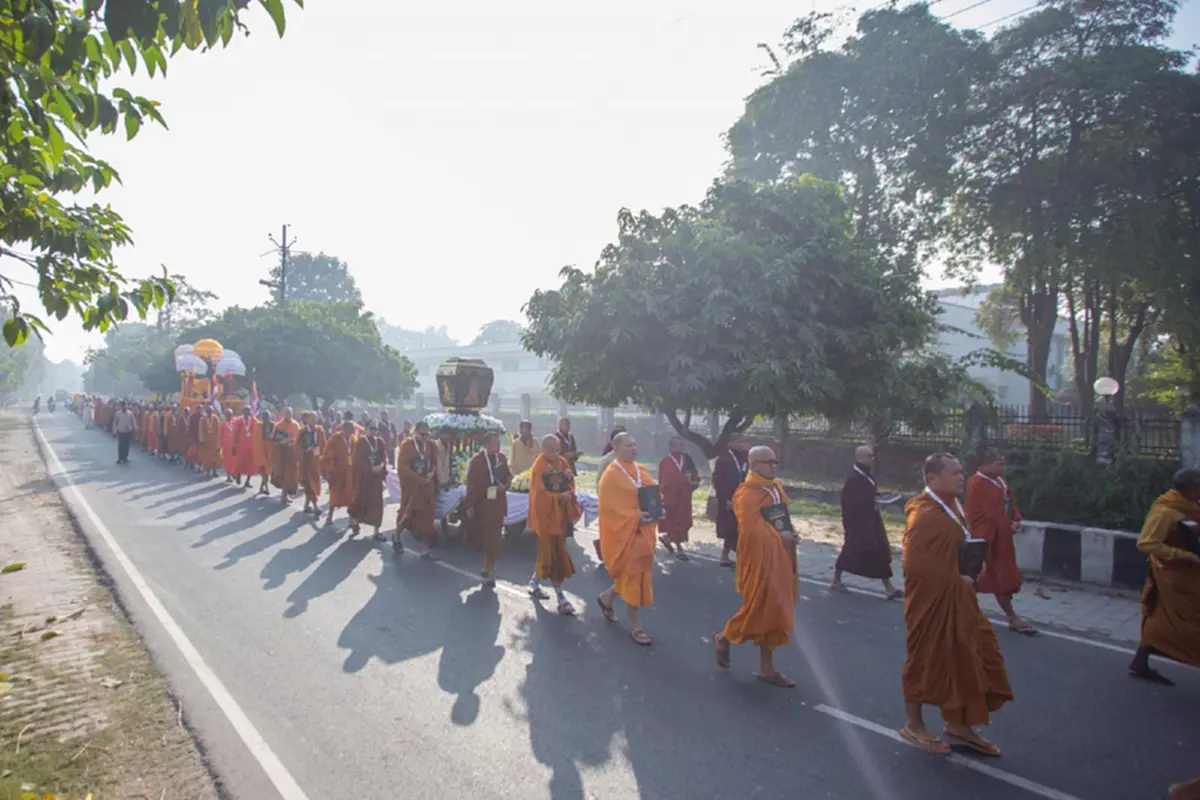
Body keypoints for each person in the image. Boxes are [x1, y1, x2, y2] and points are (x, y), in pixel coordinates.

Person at [899, 452, 1013, 757]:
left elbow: (956, 545)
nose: (961, 478)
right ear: (932, 479)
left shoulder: (951, 505)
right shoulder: (924, 515)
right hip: (932, 602)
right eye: (954, 473)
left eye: (961, 472)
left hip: (961, 598)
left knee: (970, 655)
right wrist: (955, 578)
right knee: (925, 659)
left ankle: (959, 725)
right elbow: (915, 567)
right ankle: (913, 723)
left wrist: (974, 568)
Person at [714, 445, 798, 687]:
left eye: (775, 461)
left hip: (779, 558)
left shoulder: (775, 488)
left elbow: (780, 519)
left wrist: (790, 533)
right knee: (757, 609)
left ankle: (766, 668)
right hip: (759, 561)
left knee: (774, 612)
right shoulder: (746, 493)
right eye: (767, 461)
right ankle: (724, 637)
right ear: (753, 465)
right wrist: (779, 537)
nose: (773, 465)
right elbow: (751, 532)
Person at [1127, 467, 1200, 686]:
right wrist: (1184, 555)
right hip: (1172, 574)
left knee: (1158, 616)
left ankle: (1141, 660)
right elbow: (1146, 543)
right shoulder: (1166, 511)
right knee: (1187, 621)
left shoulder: (1189, 506)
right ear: (1193, 488)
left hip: (1187, 573)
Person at [596, 433, 658, 645]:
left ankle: (606, 598)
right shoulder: (611, 475)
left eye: (634, 445)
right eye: (628, 445)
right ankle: (635, 625)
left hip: (644, 534)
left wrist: (659, 509)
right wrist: (635, 516)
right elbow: (609, 509)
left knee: (636, 576)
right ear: (616, 449)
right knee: (632, 576)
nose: (634, 449)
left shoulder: (640, 470)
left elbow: (652, 494)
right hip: (625, 534)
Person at [965, 451, 1033, 633]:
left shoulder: (1000, 482)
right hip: (983, 539)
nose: (1003, 468)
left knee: (1000, 577)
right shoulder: (976, 483)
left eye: (1004, 464)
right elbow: (980, 514)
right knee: (975, 578)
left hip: (1001, 539)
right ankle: (964, 613)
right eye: (999, 464)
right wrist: (1005, 525)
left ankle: (1011, 617)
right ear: (986, 465)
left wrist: (1016, 519)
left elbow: (1010, 503)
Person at [832, 445, 899, 598]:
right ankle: (836, 579)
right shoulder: (853, 478)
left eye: (872, 456)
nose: (872, 459)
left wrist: (878, 498)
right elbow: (849, 501)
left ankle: (889, 588)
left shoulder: (865, 474)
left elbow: (870, 492)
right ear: (859, 458)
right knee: (851, 549)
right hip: (858, 522)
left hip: (871, 518)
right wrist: (870, 501)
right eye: (869, 456)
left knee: (881, 550)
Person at [528, 434, 578, 613]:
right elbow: (539, 496)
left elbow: (570, 483)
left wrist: (569, 490)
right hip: (546, 519)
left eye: (558, 449)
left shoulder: (563, 462)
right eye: (551, 449)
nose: (556, 453)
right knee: (553, 555)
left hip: (560, 517)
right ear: (543, 449)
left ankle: (534, 583)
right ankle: (561, 598)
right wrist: (558, 497)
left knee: (549, 553)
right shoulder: (539, 467)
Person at [466, 432, 512, 587]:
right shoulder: (478, 461)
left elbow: (508, 476)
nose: (497, 447)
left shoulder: (502, 458)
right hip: (483, 503)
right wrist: (470, 505)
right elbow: (472, 484)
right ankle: (489, 567)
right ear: (486, 445)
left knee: (495, 535)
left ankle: (489, 567)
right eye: (494, 444)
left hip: (497, 502)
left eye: (498, 444)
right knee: (487, 536)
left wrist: (505, 486)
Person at [396, 421, 438, 559]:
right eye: (422, 434)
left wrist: (432, 472)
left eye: (427, 434)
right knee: (407, 513)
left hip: (427, 487)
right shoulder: (407, 445)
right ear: (415, 432)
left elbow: (434, 463)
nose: (426, 437)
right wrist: (418, 479)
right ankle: (396, 535)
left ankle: (425, 549)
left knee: (427, 517)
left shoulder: (431, 445)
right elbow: (403, 468)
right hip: (412, 487)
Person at [658, 435, 700, 560]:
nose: (681, 447)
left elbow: (694, 474)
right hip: (670, 498)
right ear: (671, 447)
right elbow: (664, 481)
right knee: (673, 522)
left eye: (682, 445)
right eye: (678, 445)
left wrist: (694, 482)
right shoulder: (665, 461)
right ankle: (679, 548)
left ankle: (667, 538)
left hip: (685, 497)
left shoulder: (686, 460)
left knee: (683, 522)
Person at [712, 435, 749, 567]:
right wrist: (726, 498)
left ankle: (742, 554)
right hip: (729, 498)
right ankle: (725, 555)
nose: (742, 445)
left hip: (743, 497)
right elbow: (718, 481)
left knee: (742, 527)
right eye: (739, 441)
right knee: (730, 527)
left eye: (744, 442)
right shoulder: (724, 459)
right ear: (731, 442)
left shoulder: (744, 457)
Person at [349, 422, 387, 539]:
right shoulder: (361, 442)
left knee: (377, 504)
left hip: (376, 478)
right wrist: (369, 468)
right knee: (360, 501)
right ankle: (354, 522)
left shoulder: (379, 442)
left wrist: (381, 467)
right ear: (365, 429)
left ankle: (376, 531)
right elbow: (357, 461)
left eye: (376, 429)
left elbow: (383, 457)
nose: (374, 431)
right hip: (364, 478)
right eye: (371, 428)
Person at [321, 420, 357, 528]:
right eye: (351, 429)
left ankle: (351, 520)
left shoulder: (353, 439)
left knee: (351, 495)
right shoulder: (334, 439)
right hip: (337, 471)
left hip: (349, 472)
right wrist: (329, 471)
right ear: (344, 429)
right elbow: (327, 455)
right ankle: (330, 515)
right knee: (335, 495)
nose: (352, 431)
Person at [270, 408, 302, 505]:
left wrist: (293, 441)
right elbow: (274, 439)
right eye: (287, 413)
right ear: (283, 414)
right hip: (281, 453)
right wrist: (284, 441)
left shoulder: (296, 425)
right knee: (283, 474)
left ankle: (285, 494)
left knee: (291, 474)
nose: (289, 415)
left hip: (292, 454)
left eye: (290, 413)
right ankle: (284, 495)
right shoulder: (278, 425)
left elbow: (299, 439)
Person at [299, 411, 327, 515]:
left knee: (313, 483)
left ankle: (306, 505)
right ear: (307, 419)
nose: (313, 420)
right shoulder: (303, 431)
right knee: (309, 484)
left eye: (315, 418)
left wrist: (324, 456)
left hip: (317, 461)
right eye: (311, 418)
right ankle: (315, 506)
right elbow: (298, 446)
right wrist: (305, 450)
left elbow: (324, 444)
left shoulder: (320, 430)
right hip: (306, 461)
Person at [231, 408, 256, 487]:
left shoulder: (253, 420)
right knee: (240, 463)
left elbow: (258, 427)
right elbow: (234, 434)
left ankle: (247, 481)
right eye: (246, 411)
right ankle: (237, 474)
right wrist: (234, 446)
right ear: (243, 412)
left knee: (251, 465)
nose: (248, 413)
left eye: (249, 411)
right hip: (241, 447)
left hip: (251, 447)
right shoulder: (238, 421)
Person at [253, 410, 275, 496]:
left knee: (267, 471)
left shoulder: (273, 425)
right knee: (263, 470)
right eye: (264, 416)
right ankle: (266, 487)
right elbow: (255, 439)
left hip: (270, 451)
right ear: (262, 417)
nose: (266, 418)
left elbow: (275, 437)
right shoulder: (258, 426)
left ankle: (262, 487)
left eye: (268, 416)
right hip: (260, 450)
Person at [199, 405, 223, 479]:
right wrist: (202, 440)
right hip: (206, 443)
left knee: (215, 457)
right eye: (208, 411)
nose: (209, 412)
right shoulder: (202, 419)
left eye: (211, 411)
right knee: (207, 458)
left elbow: (219, 429)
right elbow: (201, 430)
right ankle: (207, 472)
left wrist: (219, 441)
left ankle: (214, 472)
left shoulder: (215, 418)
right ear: (206, 411)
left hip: (214, 442)